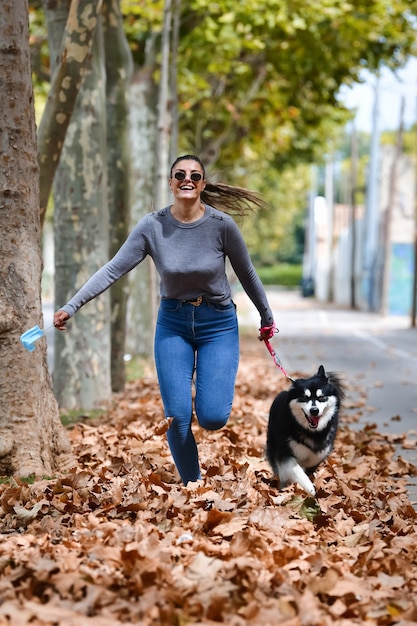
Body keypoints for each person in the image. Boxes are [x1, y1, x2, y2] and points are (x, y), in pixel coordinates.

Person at [54, 154, 276, 485]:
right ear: (170, 182)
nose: (187, 179)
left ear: (202, 184)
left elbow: (247, 273)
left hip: (217, 323)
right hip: (173, 324)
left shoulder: (221, 226)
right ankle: (193, 484)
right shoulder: (153, 226)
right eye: (180, 174)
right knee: (177, 416)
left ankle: (207, 398)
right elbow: (114, 268)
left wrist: (266, 317)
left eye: (195, 175)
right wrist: (72, 305)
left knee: (213, 417)